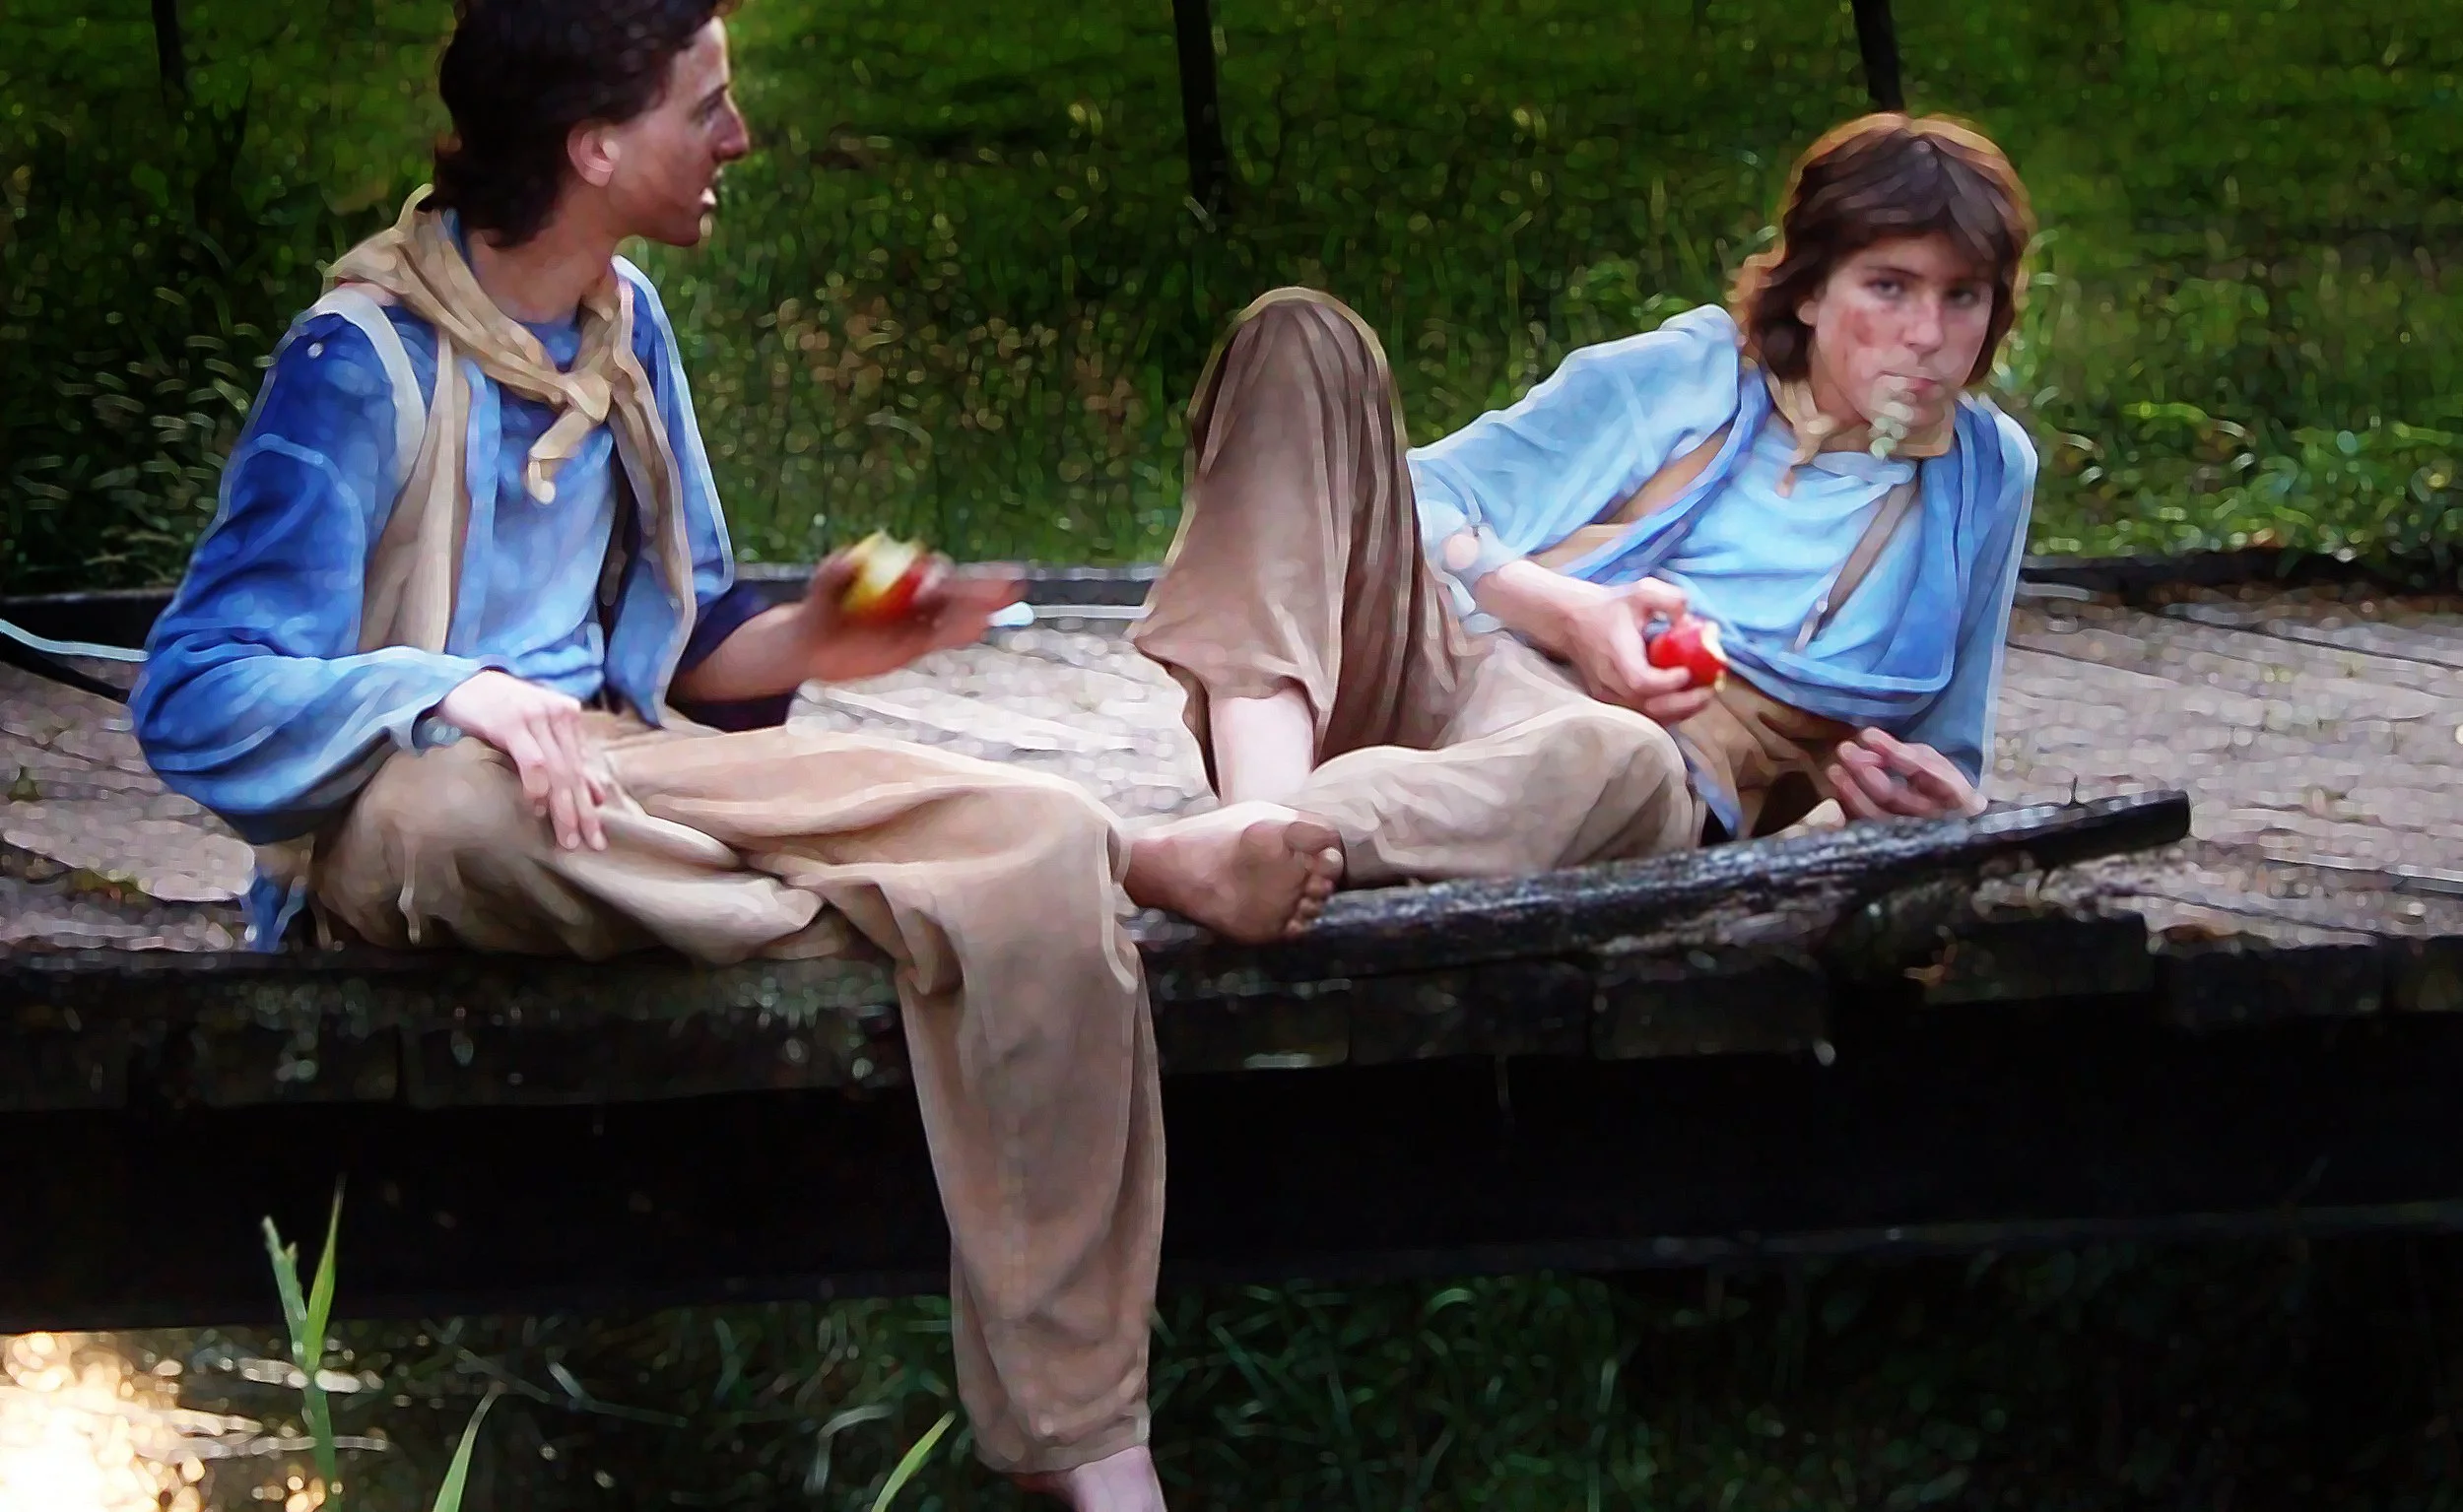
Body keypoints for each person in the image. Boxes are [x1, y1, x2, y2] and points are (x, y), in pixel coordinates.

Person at [131, 4, 1342, 1505]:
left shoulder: (627, 329)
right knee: (474, 819)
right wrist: (455, 692)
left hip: (626, 781)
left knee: (1029, 833)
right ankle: (1056, 871)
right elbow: (194, 691)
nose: (739, 139)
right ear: (593, 144)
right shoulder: (357, 360)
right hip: (416, 806)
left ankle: (1089, 1444)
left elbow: (691, 651)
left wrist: (832, 639)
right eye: (704, 106)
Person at [1131, 113, 2041, 889]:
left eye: (1962, 296)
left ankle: (1278, 845)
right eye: (1889, 286)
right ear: (1809, 291)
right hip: (1448, 667)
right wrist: (1569, 612)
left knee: (1622, 755)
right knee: (1302, 336)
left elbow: (1946, 754)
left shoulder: (1987, 473)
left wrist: (1945, 807)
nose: (1927, 335)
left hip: (1611, 771)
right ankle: (1254, 819)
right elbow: (1412, 498)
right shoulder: (1692, 374)